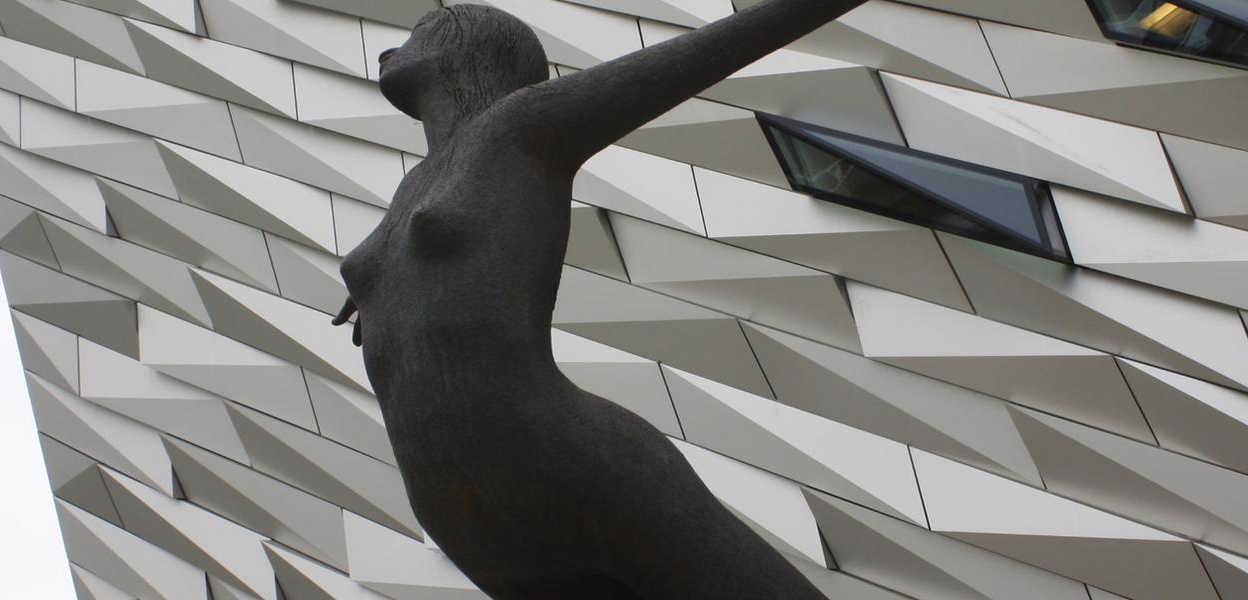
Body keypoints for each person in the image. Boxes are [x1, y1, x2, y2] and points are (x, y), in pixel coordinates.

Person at [330, 1, 867, 598]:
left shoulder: (519, 127)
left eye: (417, 35)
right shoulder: (413, 184)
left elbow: (707, 51)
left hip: (567, 464)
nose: (390, 51)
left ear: (468, 51)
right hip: (463, 513)